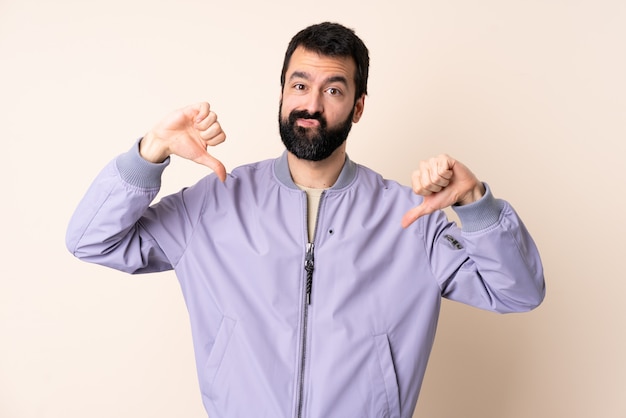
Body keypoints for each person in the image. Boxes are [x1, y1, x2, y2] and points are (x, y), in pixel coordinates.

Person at [66, 22, 545, 418]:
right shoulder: (214, 204)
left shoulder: (410, 218)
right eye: (300, 85)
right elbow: (93, 240)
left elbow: (517, 292)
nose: (311, 105)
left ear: (357, 107)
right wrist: (151, 152)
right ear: (281, 94)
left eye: (333, 89)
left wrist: (476, 204)